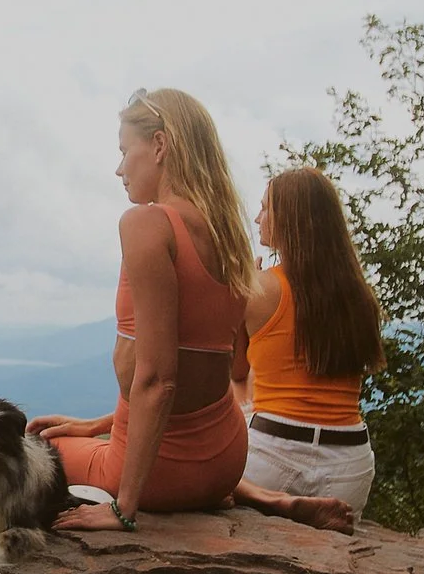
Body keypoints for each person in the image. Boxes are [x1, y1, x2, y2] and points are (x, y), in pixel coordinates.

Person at [30, 87, 258, 527]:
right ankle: (268, 498)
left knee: (37, 447)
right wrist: (98, 424)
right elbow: (202, 362)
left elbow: (158, 378)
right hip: (227, 461)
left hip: (162, 475)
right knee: (72, 437)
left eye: (123, 150)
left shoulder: (148, 224)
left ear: (159, 145)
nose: (118, 169)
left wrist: (122, 508)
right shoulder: (228, 233)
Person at [232, 165, 385, 529]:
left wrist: (240, 293)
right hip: (350, 468)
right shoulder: (361, 297)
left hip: (271, 457)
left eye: (266, 208)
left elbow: (235, 373)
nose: (257, 218)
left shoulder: (262, 289)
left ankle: (274, 500)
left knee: (183, 445)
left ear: (290, 218)